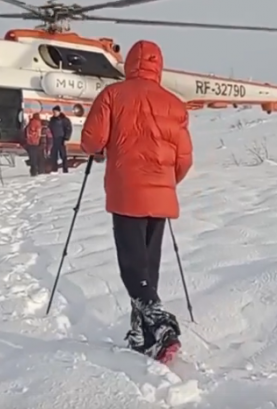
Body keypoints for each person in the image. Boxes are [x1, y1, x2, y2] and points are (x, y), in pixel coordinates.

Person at [80, 39, 193, 361]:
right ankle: (142, 335)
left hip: (127, 190)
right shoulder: (175, 104)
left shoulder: (113, 95)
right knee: (147, 265)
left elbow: (91, 141)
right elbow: (183, 158)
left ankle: (159, 324)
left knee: (132, 268)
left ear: (129, 64)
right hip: (161, 196)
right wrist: (165, 184)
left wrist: (104, 150)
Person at [48, 106, 73, 173]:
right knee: (53, 154)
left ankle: (65, 169)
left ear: (59, 112)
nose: (54, 113)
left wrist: (66, 138)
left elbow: (68, 129)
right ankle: (54, 169)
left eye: (56, 112)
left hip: (61, 139)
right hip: (54, 139)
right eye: (53, 112)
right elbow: (49, 129)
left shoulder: (64, 120)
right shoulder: (52, 120)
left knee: (63, 155)